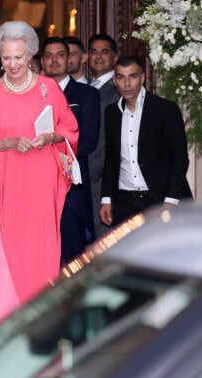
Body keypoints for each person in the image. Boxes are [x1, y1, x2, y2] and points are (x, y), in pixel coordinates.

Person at [0, 21, 78, 335]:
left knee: (42, 255)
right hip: (8, 183)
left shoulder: (50, 88)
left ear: (31, 54)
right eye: (6, 58)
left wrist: (52, 137)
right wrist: (5, 143)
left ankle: (43, 334)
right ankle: (0, 336)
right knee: (6, 257)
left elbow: (70, 130)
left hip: (42, 182)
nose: (13, 64)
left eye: (19, 57)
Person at [99, 56, 192, 227]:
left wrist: (170, 201)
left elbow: (180, 158)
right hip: (124, 202)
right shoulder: (111, 113)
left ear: (142, 78)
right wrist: (106, 198)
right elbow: (111, 158)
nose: (127, 83)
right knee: (124, 253)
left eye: (132, 76)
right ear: (114, 80)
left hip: (159, 198)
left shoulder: (165, 109)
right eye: (121, 77)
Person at [40, 37, 100, 265]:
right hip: (38, 186)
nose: (54, 60)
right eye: (48, 55)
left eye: (60, 55)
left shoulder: (87, 95)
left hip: (72, 186)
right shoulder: (34, 94)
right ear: (42, 61)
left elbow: (89, 140)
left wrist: (55, 157)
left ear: (70, 59)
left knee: (73, 257)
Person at [87, 33, 120, 238]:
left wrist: (93, 170)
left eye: (104, 52)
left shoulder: (118, 92)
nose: (98, 56)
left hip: (101, 179)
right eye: (93, 52)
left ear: (115, 58)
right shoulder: (85, 89)